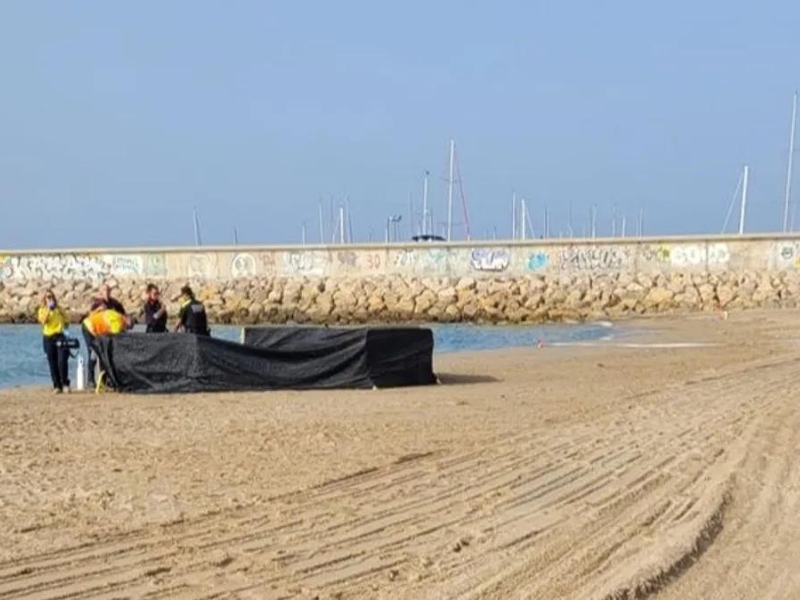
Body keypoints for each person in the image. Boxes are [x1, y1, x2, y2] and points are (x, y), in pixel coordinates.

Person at [83, 284, 126, 388]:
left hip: (105, 330)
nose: (106, 292)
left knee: (105, 354)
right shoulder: (97, 303)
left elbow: (123, 315)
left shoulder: (114, 303)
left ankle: (105, 379)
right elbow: (89, 316)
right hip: (91, 329)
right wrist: (99, 310)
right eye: (104, 290)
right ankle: (90, 379)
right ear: (100, 292)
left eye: (108, 290)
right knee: (93, 353)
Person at [37, 290, 71, 394]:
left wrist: (64, 328)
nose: (50, 299)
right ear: (44, 299)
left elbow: (67, 321)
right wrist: (48, 310)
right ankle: (57, 385)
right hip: (48, 337)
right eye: (47, 297)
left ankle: (65, 383)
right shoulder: (42, 310)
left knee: (62, 361)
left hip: (60, 336)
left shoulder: (59, 309)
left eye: (51, 296)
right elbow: (43, 321)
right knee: (52, 362)